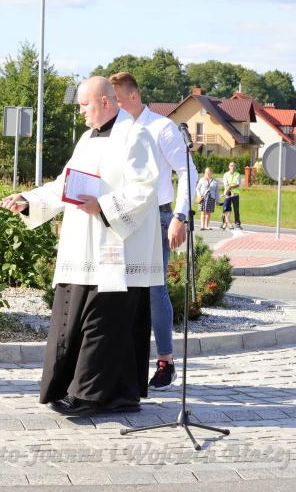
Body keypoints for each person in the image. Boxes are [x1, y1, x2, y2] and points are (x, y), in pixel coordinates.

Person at [1, 76, 161, 416]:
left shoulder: (135, 135)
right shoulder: (87, 139)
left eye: (84, 105)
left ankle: (90, 395)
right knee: (79, 318)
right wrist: (28, 200)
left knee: (102, 324)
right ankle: (116, 395)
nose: (80, 112)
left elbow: (144, 189)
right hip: (83, 247)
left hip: (117, 249)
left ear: (105, 101)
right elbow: (64, 184)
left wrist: (102, 206)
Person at [109, 72, 197, 391]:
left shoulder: (162, 127)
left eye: (117, 100)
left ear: (133, 96)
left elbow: (188, 171)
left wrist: (180, 216)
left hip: (157, 217)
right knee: (116, 287)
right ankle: (120, 362)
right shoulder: (116, 130)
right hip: (121, 217)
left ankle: (165, 362)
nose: (114, 106)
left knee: (154, 290)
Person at [222, 162, 242, 229]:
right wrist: (231, 187)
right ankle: (224, 223)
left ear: (235, 167)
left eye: (234, 166)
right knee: (225, 208)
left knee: (236, 210)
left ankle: (237, 223)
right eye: (231, 166)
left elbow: (237, 184)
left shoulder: (238, 174)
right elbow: (226, 185)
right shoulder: (226, 174)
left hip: (235, 195)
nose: (232, 167)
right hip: (227, 194)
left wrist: (230, 186)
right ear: (229, 166)